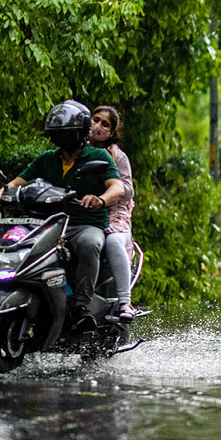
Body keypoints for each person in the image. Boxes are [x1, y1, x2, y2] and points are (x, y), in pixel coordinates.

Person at [0, 100, 124, 327]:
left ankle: (81, 306)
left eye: (67, 133)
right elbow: (15, 183)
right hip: (46, 224)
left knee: (90, 244)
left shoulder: (98, 156)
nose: (61, 138)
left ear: (80, 133)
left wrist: (100, 199)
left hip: (83, 223)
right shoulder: (47, 159)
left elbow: (118, 187)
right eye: (57, 134)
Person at [88, 106, 138, 320]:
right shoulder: (74, 151)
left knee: (113, 242)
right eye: (95, 119)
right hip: (80, 211)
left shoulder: (117, 156)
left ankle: (125, 302)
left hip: (113, 214)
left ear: (111, 133)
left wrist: (105, 195)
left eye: (104, 124)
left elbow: (127, 189)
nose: (97, 126)